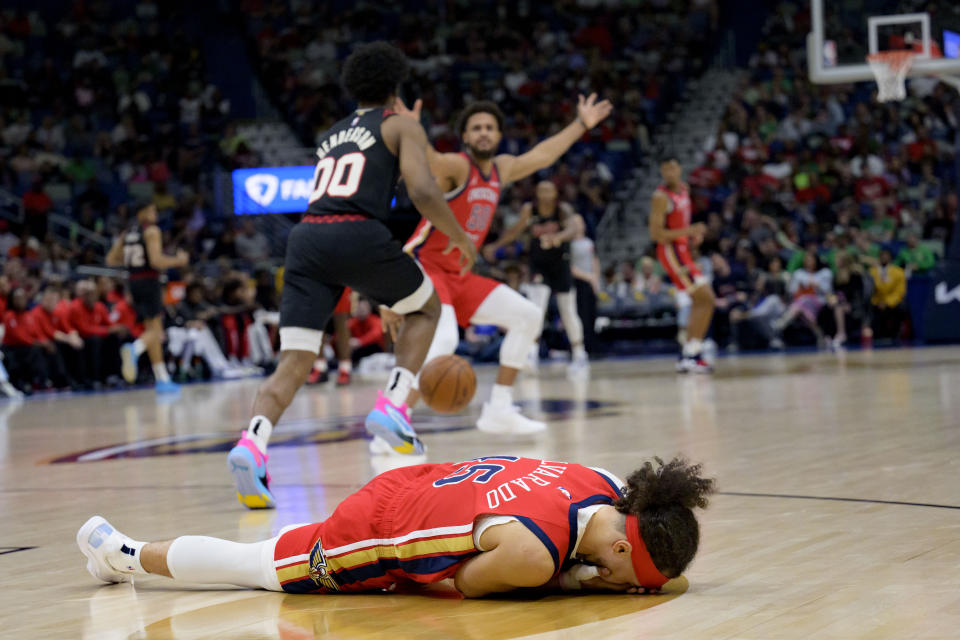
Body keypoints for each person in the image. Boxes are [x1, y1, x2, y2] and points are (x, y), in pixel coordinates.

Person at [227, 41, 476, 509]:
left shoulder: (332, 132)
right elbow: (422, 190)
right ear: (395, 85)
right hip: (355, 231)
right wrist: (459, 235)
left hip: (306, 238)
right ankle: (393, 405)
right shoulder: (401, 124)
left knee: (295, 360)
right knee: (426, 308)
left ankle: (252, 445)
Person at [78, 456, 713, 597]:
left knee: (268, 553)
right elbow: (445, 585)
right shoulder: (533, 556)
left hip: (421, 481)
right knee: (258, 567)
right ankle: (120, 553)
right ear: (627, 543)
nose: (633, 588)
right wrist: (579, 585)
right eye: (638, 578)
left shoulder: (599, 478)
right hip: (378, 528)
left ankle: (122, 553)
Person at [396, 93, 612, 434]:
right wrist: (411, 129)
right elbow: (431, 160)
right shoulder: (457, 166)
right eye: (476, 128)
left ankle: (498, 409)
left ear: (498, 135)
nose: (483, 132)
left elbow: (542, 155)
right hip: (426, 266)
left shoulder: (502, 168)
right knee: (445, 340)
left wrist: (580, 125)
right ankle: (395, 417)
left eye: (490, 127)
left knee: (527, 315)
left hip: (461, 274)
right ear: (465, 137)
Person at [487, 181, 590, 378]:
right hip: (539, 265)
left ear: (555, 193)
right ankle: (531, 355)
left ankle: (579, 353)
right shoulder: (530, 210)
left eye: (548, 190)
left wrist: (556, 237)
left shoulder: (562, 209)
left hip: (561, 264)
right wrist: (497, 245)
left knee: (568, 310)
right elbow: (516, 231)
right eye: (541, 190)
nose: (544, 194)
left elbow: (571, 230)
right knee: (536, 308)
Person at [105, 202, 188, 393]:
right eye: (151, 210)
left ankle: (162, 379)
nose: (155, 214)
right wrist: (179, 260)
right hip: (149, 282)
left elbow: (111, 259)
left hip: (133, 282)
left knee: (153, 330)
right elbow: (156, 261)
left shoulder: (127, 234)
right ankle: (135, 348)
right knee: (155, 331)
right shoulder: (151, 231)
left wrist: (130, 261)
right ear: (141, 213)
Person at [649, 159, 715, 373]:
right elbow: (656, 234)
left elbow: (681, 224)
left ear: (680, 169)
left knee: (703, 301)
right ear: (661, 172)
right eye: (665, 168)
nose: (670, 171)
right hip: (671, 252)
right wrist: (689, 232)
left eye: (673, 167)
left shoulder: (684, 190)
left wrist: (693, 236)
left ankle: (691, 353)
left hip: (683, 250)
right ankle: (689, 354)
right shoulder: (660, 197)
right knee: (704, 298)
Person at [570, 220, 601, 355]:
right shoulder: (570, 244)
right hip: (578, 283)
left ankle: (592, 346)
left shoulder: (589, 242)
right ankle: (580, 348)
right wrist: (587, 277)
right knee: (580, 317)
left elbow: (594, 260)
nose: (579, 225)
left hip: (590, 283)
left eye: (581, 222)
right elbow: (569, 267)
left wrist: (595, 280)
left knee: (592, 316)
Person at [868, 248, 907, 342]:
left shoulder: (899, 272)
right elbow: (870, 290)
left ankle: (895, 335)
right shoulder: (872, 271)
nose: (884, 257)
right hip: (877, 301)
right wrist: (879, 302)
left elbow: (900, 291)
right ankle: (877, 336)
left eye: (886, 255)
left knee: (901, 306)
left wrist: (887, 302)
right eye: (882, 255)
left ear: (890, 257)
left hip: (892, 302)